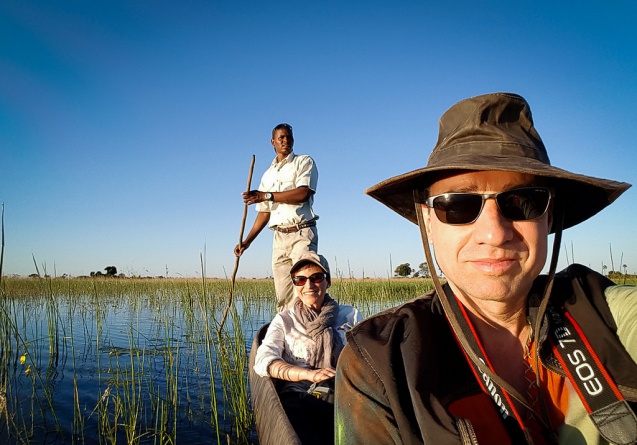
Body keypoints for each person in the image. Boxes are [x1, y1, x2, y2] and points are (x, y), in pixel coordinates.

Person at [335, 93, 637, 444]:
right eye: (458, 205)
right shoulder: (380, 363)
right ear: (428, 221)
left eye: (523, 202)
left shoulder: (606, 313)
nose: (494, 233)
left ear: (549, 216)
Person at [254, 252, 361, 445]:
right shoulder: (285, 320)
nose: (309, 285)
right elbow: (263, 361)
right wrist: (308, 375)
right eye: (300, 280)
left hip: (344, 392)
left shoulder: (350, 315)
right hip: (300, 396)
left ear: (328, 281)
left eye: (316, 277)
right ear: (295, 285)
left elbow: (364, 355)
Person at [235, 123, 319, 311]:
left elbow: (303, 193)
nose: (285, 140)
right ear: (273, 142)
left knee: (305, 287)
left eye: (288, 137)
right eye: (281, 137)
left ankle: (310, 331)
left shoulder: (304, 162)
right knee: (283, 295)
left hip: (301, 232)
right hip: (279, 237)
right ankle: (288, 335)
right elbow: (264, 212)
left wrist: (266, 195)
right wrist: (247, 242)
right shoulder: (268, 174)